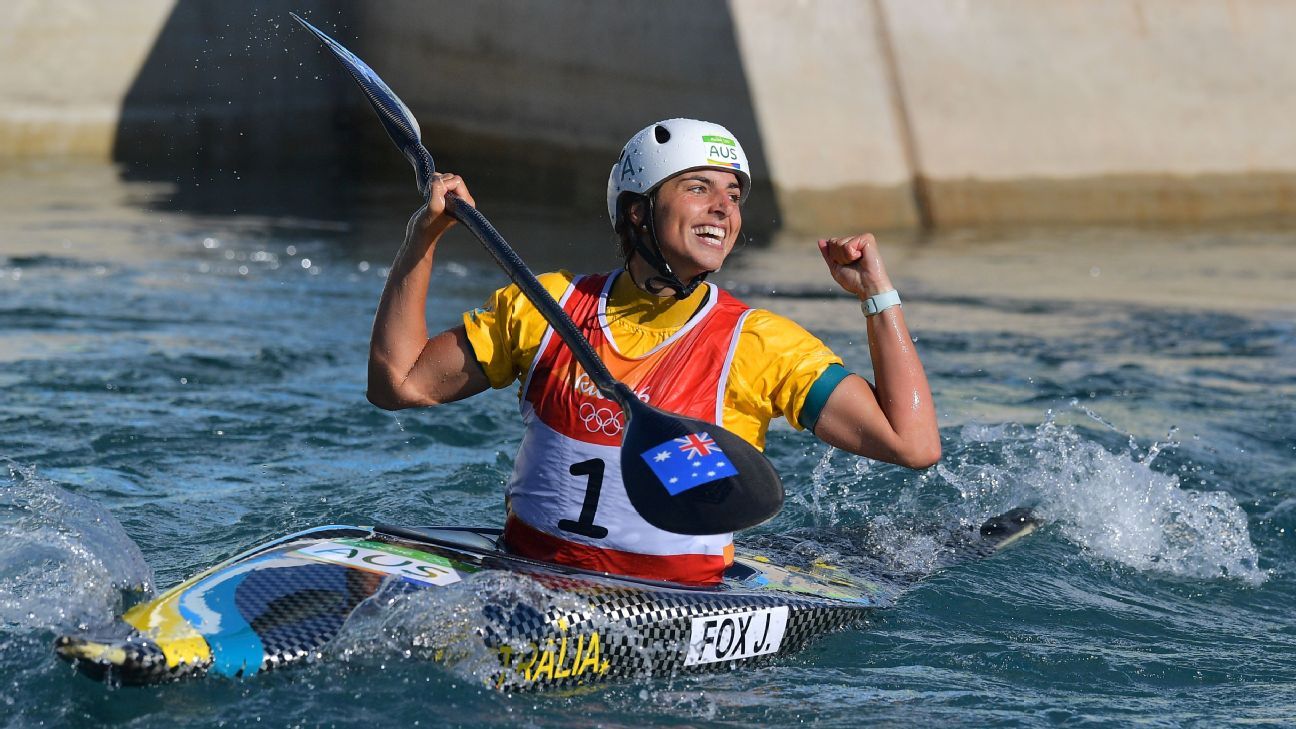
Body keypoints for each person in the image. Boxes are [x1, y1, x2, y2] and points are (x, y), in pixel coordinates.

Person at [367, 118, 939, 586]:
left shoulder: (760, 344)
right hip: (526, 574)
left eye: (733, 195)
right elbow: (399, 385)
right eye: (698, 187)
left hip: (672, 600)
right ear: (638, 210)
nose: (724, 208)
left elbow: (911, 444)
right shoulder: (547, 305)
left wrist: (877, 296)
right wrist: (425, 235)